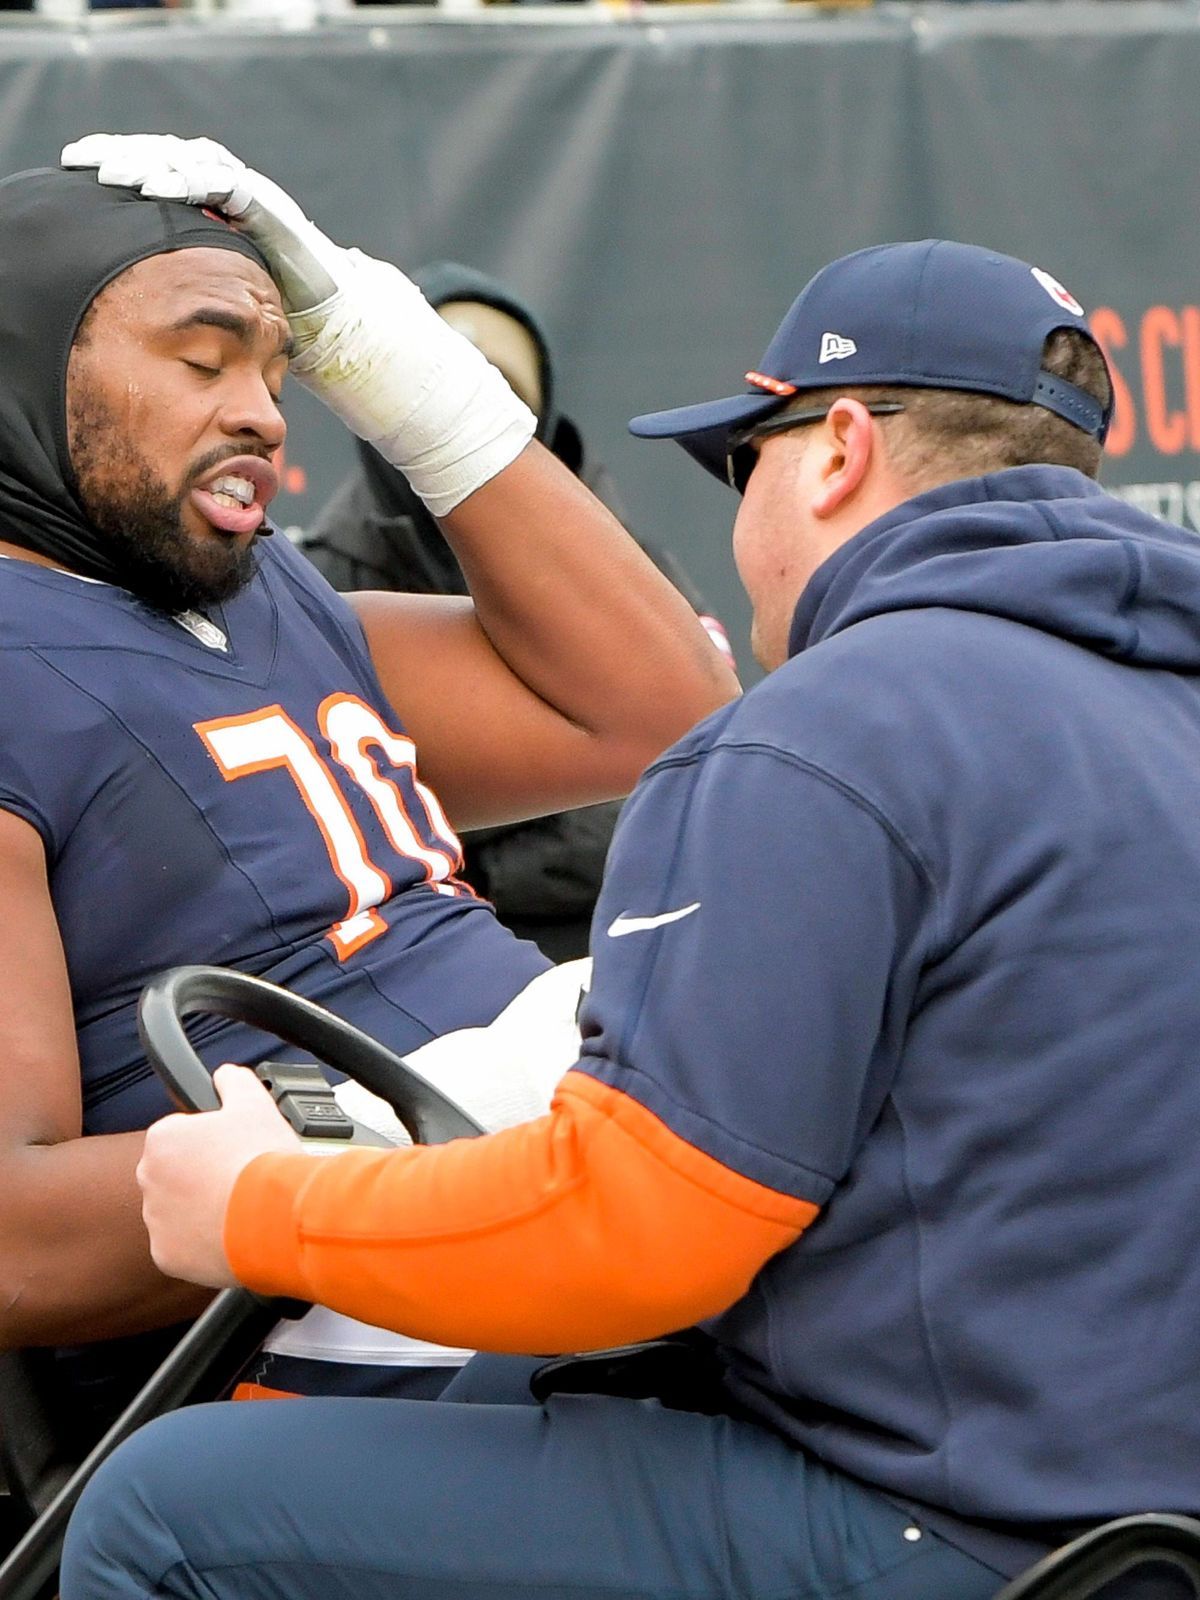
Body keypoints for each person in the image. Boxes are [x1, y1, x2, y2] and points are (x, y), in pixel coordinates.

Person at [61, 220, 1200, 1600]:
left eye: (746, 459)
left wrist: (261, 1208)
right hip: (1128, 1505)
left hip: (968, 1534)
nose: (740, 512)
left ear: (837, 452)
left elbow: (643, 1233)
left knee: (161, 1509)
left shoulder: (826, 735)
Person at [0, 135, 737, 1444]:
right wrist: (403, 1143)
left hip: (567, 1198)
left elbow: (658, 712)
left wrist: (379, 352)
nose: (267, 414)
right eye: (202, 357)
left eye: (282, 371)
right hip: (334, 1327)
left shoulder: (263, 594)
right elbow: (15, 1240)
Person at [301, 258, 734, 960]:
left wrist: (475, 843)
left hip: (633, 947)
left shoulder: (627, 572)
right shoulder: (316, 589)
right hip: (414, 969)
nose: (459, 414)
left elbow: (697, 775)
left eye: (494, 391)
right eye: (438, 388)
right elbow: (329, 828)